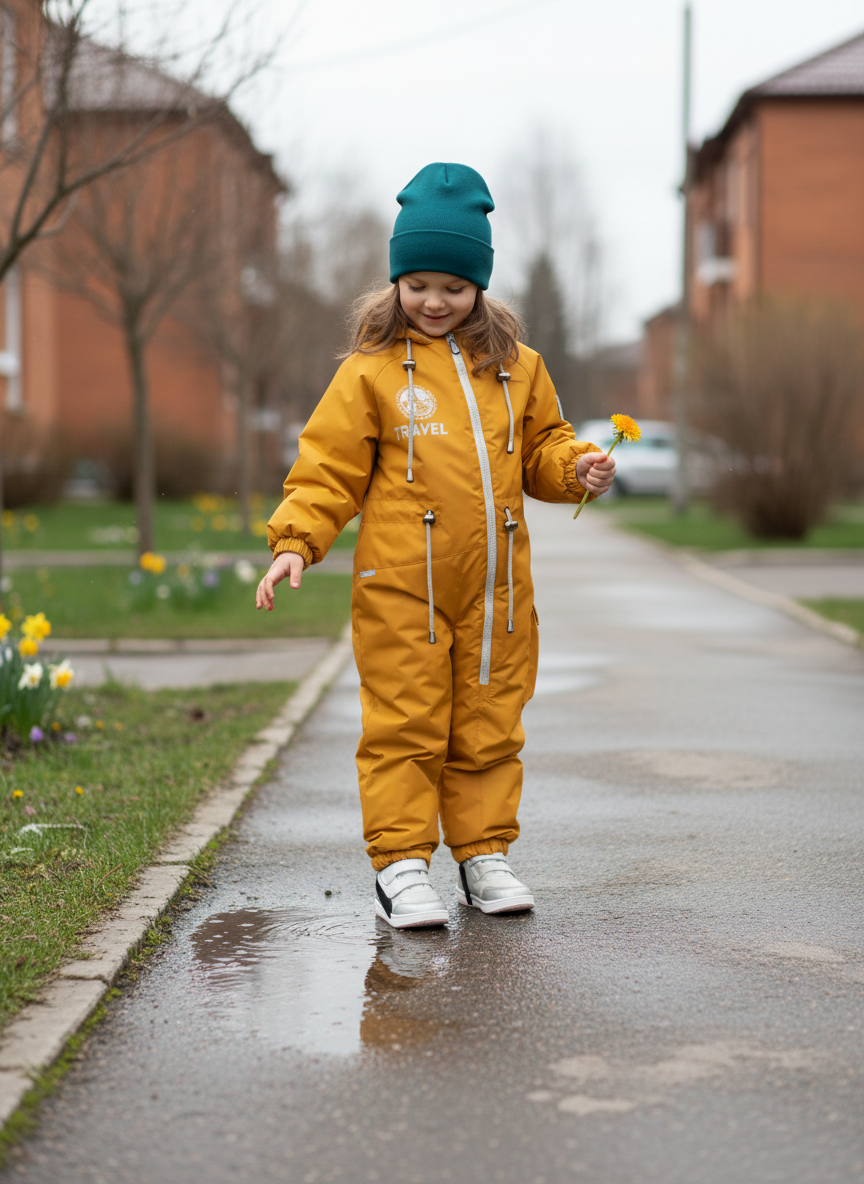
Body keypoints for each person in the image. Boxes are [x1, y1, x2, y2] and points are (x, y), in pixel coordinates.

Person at [257, 163, 615, 929]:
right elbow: (328, 468)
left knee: (489, 723)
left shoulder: (519, 371)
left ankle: (483, 855)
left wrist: (576, 468)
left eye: (453, 285)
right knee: (405, 726)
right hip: (402, 592)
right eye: (417, 283)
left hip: (496, 598)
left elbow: (543, 447)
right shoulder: (370, 373)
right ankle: (401, 867)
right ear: (395, 284)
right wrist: (296, 540)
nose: (433, 300)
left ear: (480, 286)